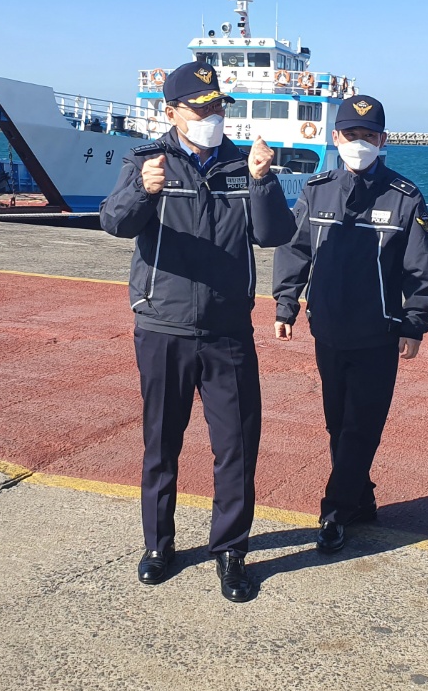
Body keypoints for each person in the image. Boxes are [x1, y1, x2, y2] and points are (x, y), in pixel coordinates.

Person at [99, 60, 295, 603]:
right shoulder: (147, 160)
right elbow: (114, 223)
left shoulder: (242, 164)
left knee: (237, 445)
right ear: (171, 112)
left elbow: (274, 234)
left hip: (228, 328)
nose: (212, 116)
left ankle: (230, 551)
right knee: (161, 441)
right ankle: (158, 546)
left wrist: (263, 181)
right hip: (162, 325)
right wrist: (143, 192)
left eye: (218, 107)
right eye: (201, 108)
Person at [272, 94, 428, 554]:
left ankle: (335, 510)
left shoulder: (405, 196)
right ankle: (360, 498)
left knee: (361, 426)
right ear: (336, 137)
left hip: (378, 334)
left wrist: (414, 323)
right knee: (337, 424)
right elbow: (295, 249)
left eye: (368, 135)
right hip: (326, 328)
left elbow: (420, 268)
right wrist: (286, 304)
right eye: (351, 135)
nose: (359, 143)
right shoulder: (317, 189)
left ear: (382, 140)